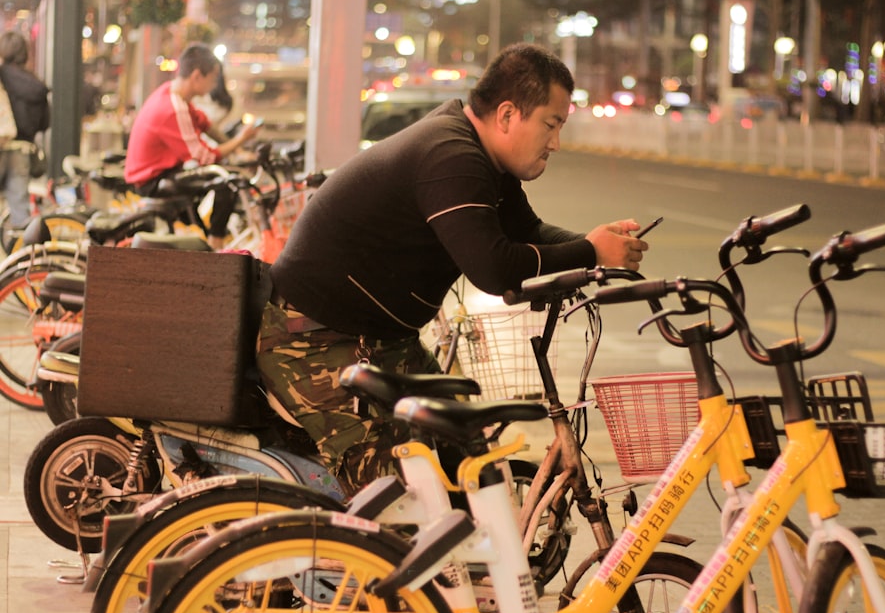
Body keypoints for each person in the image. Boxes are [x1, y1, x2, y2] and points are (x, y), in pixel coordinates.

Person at [257, 42, 648, 494]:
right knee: (400, 498)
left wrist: (597, 245)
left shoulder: (481, 157)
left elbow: (529, 231)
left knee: (467, 460)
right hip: (315, 341)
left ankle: (476, 565)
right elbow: (493, 267)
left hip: (381, 340)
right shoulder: (451, 155)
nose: (556, 143)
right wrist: (590, 252)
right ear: (507, 115)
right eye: (550, 124)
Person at [124, 43, 258, 249]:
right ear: (197, 76)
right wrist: (241, 139)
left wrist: (239, 151)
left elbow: (206, 125)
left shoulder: (171, 93)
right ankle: (215, 247)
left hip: (159, 173)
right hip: (152, 180)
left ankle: (207, 242)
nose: (214, 85)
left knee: (217, 178)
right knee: (228, 182)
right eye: (212, 79)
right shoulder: (173, 108)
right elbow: (208, 156)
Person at [0, 31, 50, 231]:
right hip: (23, 150)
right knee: (20, 210)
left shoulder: (2, 76)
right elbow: (45, 123)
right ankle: (20, 253)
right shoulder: (36, 84)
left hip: (3, 143)